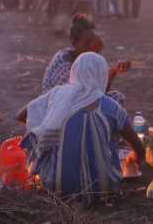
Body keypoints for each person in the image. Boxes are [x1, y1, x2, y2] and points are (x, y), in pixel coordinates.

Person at [16, 52, 145, 206]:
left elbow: (21, 115)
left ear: (74, 72)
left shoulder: (58, 95)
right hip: (103, 188)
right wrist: (136, 157)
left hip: (57, 186)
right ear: (101, 75)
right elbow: (137, 146)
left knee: (39, 137)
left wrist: (50, 123)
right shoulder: (112, 107)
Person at [42, 14, 130, 105]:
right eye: (86, 42)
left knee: (117, 98)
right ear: (74, 43)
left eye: (92, 40)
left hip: (79, 102)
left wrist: (113, 71)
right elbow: (78, 97)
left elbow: (98, 91)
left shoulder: (87, 60)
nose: (90, 45)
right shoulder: (63, 63)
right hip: (57, 107)